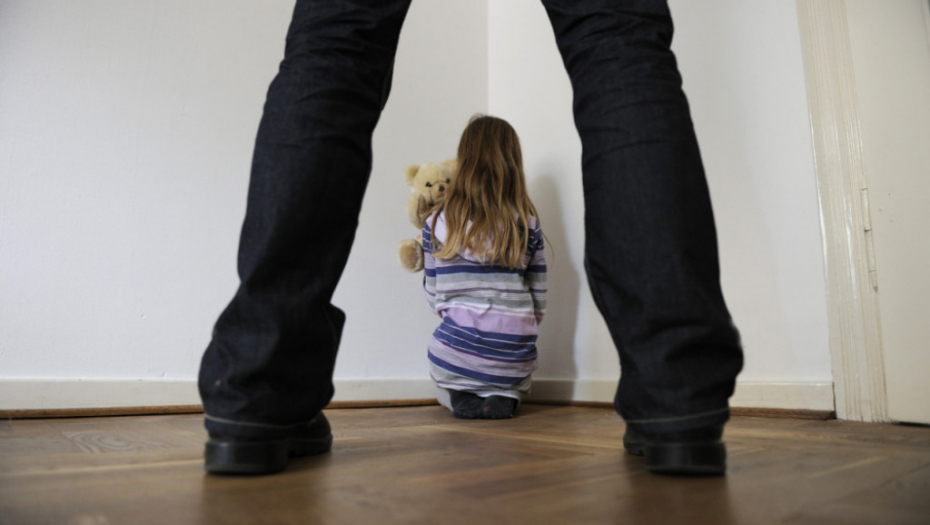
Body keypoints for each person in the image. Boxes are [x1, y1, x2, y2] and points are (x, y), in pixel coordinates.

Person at [199, 0, 743, 476]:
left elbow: (435, 283)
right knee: (616, 41)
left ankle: (258, 392)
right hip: (515, 362)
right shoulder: (523, 221)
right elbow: (538, 286)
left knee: (334, 45)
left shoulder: (439, 222)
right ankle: (677, 396)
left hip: (455, 359)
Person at [423, 115, 547, 420]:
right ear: (513, 164)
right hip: (512, 356)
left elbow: (434, 295)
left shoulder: (436, 223)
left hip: (457, 353)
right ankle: (505, 394)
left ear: (464, 162)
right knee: (513, 378)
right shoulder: (527, 225)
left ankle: (458, 395)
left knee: (443, 364)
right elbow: (539, 302)